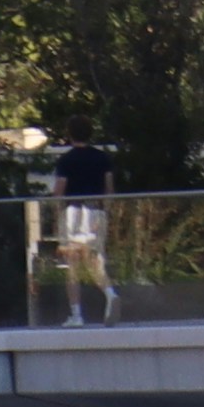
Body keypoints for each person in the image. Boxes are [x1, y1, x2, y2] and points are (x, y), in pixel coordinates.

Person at [36, 134, 119, 327]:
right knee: (93, 258)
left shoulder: (67, 160)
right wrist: (105, 210)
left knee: (72, 263)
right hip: (97, 210)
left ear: (70, 134)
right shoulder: (102, 158)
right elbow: (109, 188)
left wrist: (56, 211)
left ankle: (76, 314)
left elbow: (59, 190)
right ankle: (109, 293)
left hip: (74, 210)